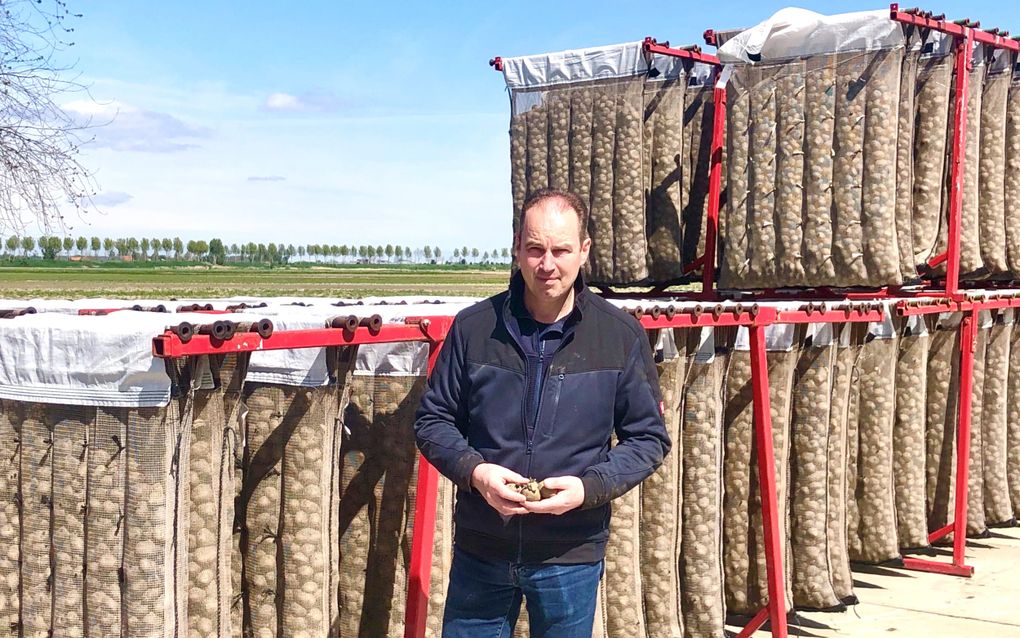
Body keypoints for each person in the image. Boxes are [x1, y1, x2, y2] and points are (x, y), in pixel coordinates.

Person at [414, 188, 670, 638]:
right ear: (517, 249)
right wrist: (477, 474)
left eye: (561, 250)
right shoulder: (474, 328)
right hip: (482, 547)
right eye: (534, 249)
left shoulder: (619, 335)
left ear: (584, 251)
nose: (547, 264)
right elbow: (433, 421)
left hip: (569, 551)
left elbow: (648, 438)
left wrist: (588, 488)